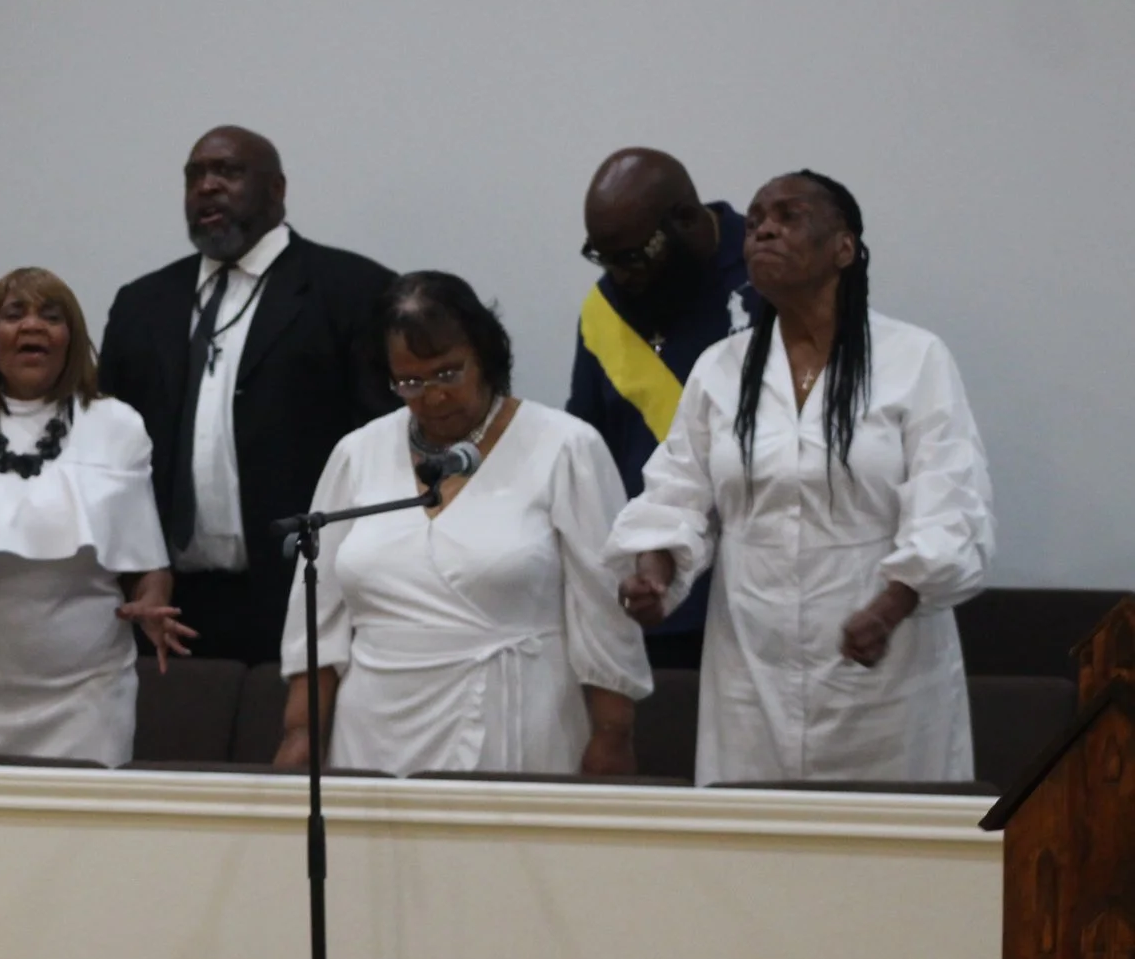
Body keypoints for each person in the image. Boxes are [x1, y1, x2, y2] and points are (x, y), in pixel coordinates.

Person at [609, 172, 993, 785]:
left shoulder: (913, 359)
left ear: (844, 247)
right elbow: (676, 492)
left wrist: (888, 609)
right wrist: (654, 574)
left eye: (789, 216)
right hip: (751, 670)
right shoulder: (721, 368)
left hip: (884, 669)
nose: (763, 229)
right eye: (757, 219)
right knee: (755, 836)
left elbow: (951, 503)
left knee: (885, 836)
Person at [274, 272, 651, 778]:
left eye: (448, 373)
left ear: (485, 356)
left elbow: (604, 609)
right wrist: (300, 734)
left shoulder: (566, 447)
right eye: (410, 382)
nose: (433, 397)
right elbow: (318, 616)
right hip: (374, 731)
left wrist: (613, 734)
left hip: (516, 721)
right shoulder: (357, 453)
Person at [100, 126, 397, 666]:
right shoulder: (142, 305)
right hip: (169, 604)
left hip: (306, 590)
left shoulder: (354, 291)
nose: (207, 187)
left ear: (277, 189)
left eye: (228, 172)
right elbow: (109, 451)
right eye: (194, 176)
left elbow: (386, 451)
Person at [0, 269, 190, 766]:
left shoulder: (117, 425)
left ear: (71, 338)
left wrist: (153, 605)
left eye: (51, 317)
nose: (33, 326)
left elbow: (147, 564)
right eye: (15, 315)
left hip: (91, 696)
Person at [566, 148, 756, 670]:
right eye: (602, 257)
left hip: (758, 590)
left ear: (687, 221)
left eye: (633, 257)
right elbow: (589, 454)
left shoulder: (766, 277)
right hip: (655, 598)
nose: (619, 276)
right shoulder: (605, 308)